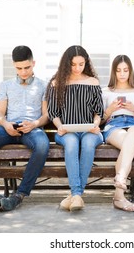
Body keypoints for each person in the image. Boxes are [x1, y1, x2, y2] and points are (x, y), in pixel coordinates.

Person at [0, 45, 50, 212]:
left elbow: (45, 116)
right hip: (8, 128)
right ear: (14, 65)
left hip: (31, 129)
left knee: (42, 145)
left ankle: (19, 195)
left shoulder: (44, 85)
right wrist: (6, 124)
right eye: (19, 68)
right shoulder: (5, 85)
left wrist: (34, 124)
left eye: (27, 67)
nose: (23, 72)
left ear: (33, 63)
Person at [46, 45, 104, 212]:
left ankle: (74, 195)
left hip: (90, 131)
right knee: (71, 144)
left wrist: (95, 124)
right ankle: (77, 194)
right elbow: (53, 113)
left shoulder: (92, 82)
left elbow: (98, 111)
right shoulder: (57, 83)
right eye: (73, 64)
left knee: (87, 144)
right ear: (66, 64)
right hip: (66, 132)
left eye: (81, 64)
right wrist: (60, 127)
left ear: (86, 63)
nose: (77, 68)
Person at [101, 55, 134, 212]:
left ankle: (120, 178)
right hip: (113, 125)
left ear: (130, 71)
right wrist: (109, 110)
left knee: (133, 133)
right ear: (113, 72)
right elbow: (100, 120)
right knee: (128, 144)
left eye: (125, 70)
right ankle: (119, 195)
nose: (122, 74)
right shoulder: (105, 91)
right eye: (118, 70)